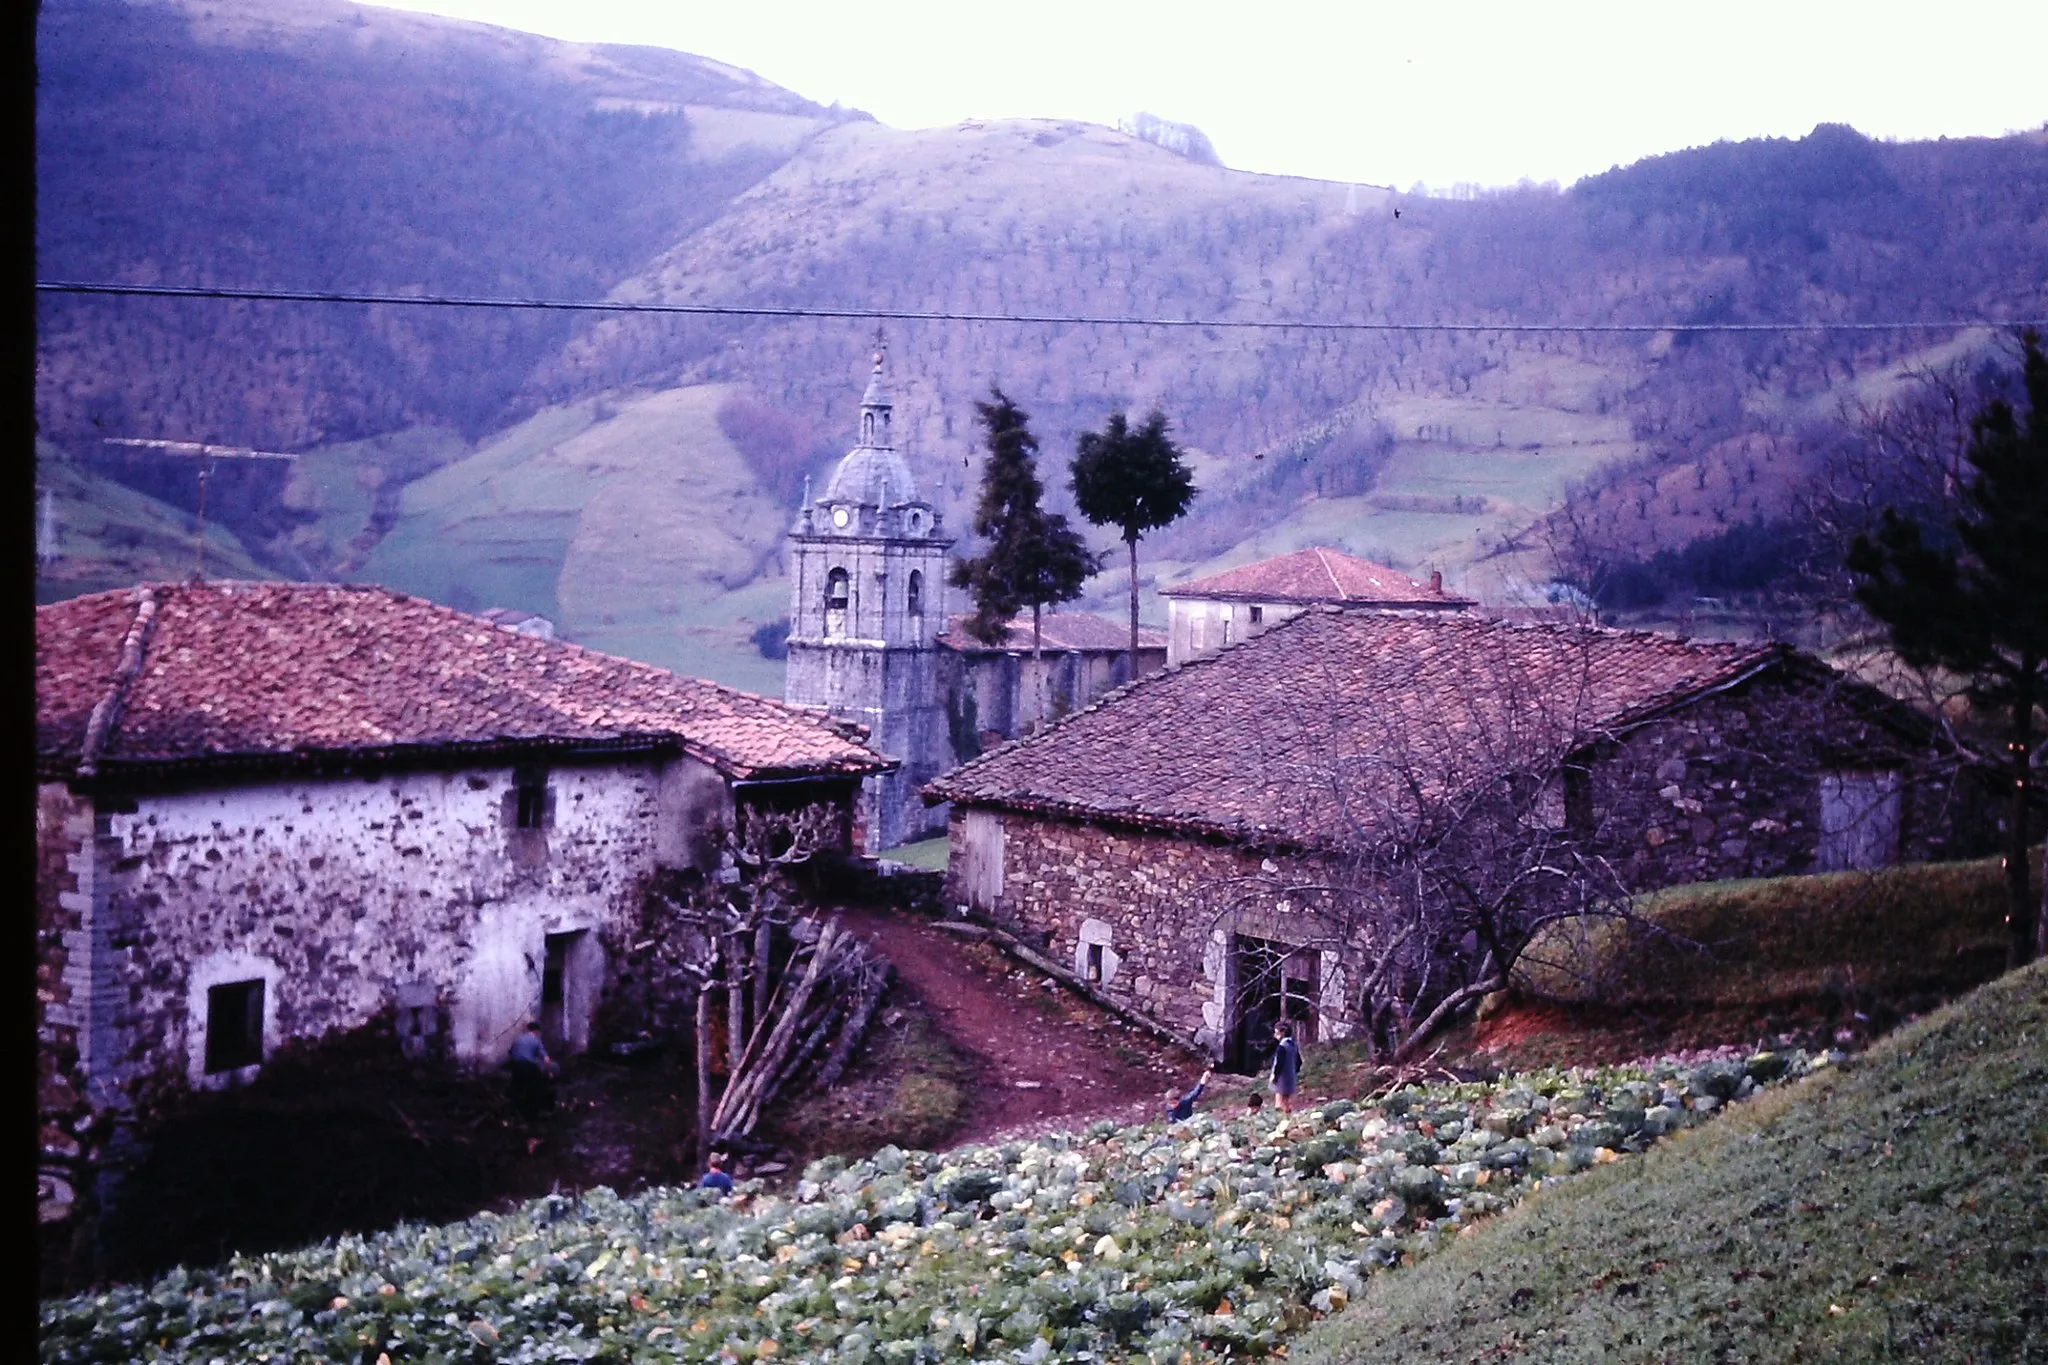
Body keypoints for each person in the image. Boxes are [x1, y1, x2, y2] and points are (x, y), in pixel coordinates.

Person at [507, 1022, 558, 1120]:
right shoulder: (536, 1040)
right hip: (529, 1067)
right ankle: (535, 1113)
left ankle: (515, 1114)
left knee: (517, 1090)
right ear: (536, 1031)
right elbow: (546, 1059)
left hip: (516, 1067)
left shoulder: (518, 1039)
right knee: (536, 1089)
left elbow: (511, 1054)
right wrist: (550, 1072)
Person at [1269, 1021, 1302, 1115]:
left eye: (1276, 1032)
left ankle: (1281, 1118)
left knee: (1280, 1101)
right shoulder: (1293, 1045)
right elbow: (1299, 1062)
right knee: (1287, 1100)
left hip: (1281, 1078)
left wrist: (1275, 1076)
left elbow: (1279, 1063)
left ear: (1282, 1033)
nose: (1275, 1035)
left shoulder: (1282, 1047)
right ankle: (1288, 1115)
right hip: (1291, 1077)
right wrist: (1293, 1072)